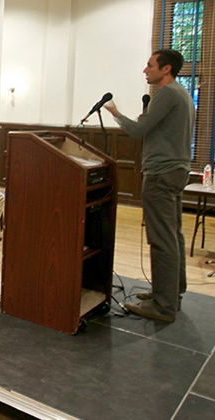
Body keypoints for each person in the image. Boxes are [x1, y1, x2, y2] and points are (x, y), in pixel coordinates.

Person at [104, 49, 194, 322]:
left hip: (161, 174)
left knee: (161, 239)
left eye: (150, 65)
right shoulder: (182, 93)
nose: (145, 70)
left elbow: (138, 131)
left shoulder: (167, 94)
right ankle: (171, 294)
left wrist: (116, 113)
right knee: (173, 234)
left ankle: (163, 306)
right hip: (177, 171)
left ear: (166, 69)